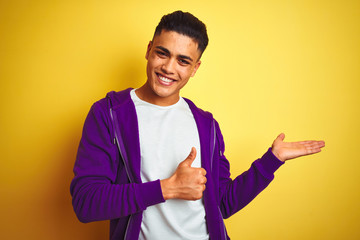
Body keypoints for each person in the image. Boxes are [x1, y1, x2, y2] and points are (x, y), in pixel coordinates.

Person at [70, 10, 325, 240]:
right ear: (149, 50)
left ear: (195, 68)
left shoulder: (206, 125)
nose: (168, 68)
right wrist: (166, 188)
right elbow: (86, 203)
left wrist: (272, 160)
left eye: (183, 61)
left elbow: (222, 204)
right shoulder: (110, 113)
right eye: (162, 53)